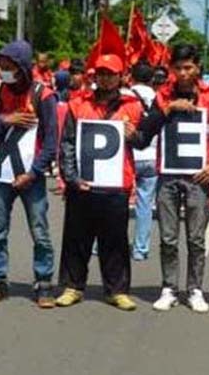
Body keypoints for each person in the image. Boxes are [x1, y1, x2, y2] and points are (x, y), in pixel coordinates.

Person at [133, 45, 209, 313]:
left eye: (189, 68)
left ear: (198, 68)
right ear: (171, 69)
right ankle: (169, 287)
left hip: (197, 177)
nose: (184, 73)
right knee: (168, 237)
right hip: (168, 176)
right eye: (179, 68)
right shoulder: (162, 96)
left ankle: (195, 288)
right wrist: (168, 109)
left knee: (196, 238)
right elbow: (144, 133)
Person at [56, 54, 144, 311]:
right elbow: (68, 143)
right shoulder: (77, 104)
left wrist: (134, 134)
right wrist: (71, 177)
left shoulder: (133, 106)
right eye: (101, 73)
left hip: (116, 185)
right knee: (76, 238)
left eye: (111, 73)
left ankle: (117, 290)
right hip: (83, 184)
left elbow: (143, 141)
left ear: (121, 77)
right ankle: (72, 287)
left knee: (115, 240)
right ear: (95, 76)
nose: (105, 78)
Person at [0, 41, 58, 308]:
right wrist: (5, 121)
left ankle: (43, 282)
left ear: (23, 68)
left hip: (31, 177)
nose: (4, 72)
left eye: (10, 67)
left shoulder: (42, 95)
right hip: (2, 175)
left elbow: (51, 141)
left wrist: (34, 173)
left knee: (40, 231)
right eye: (1, 67)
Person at [128, 62, 159, 262]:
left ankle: (100, 244)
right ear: (151, 79)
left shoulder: (124, 95)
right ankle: (140, 248)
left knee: (115, 203)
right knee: (145, 204)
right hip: (151, 156)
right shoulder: (159, 98)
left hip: (127, 156)